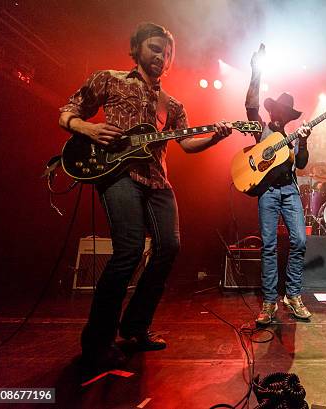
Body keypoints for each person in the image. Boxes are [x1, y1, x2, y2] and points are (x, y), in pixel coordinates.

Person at [58, 22, 232, 371]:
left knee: (170, 247)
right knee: (129, 251)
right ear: (135, 49)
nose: (161, 56)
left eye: (166, 53)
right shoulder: (109, 79)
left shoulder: (173, 104)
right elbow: (67, 112)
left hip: (157, 180)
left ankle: (135, 328)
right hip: (118, 173)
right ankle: (97, 342)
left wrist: (215, 137)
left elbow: (186, 143)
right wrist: (87, 126)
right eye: (154, 48)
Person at [245, 44, 312, 325]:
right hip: (268, 192)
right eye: (277, 110)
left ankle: (293, 295)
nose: (279, 115)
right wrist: (255, 71)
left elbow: (302, 164)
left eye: (285, 112)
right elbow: (250, 105)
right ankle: (270, 302)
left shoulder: (295, 135)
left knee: (299, 240)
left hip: (290, 191)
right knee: (268, 245)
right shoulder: (262, 129)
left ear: (289, 116)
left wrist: (305, 141)